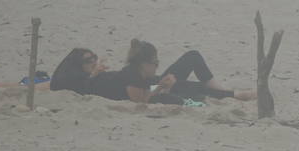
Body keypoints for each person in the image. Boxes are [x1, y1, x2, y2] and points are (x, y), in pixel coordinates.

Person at [88, 39, 254, 105]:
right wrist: (161, 87)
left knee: (192, 57)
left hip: (153, 86)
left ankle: (223, 91)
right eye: (155, 62)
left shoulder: (143, 74)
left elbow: (147, 91)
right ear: (144, 64)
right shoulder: (131, 77)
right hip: (148, 92)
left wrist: (161, 85)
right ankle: (234, 95)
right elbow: (141, 101)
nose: (157, 65)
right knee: (184, 87)